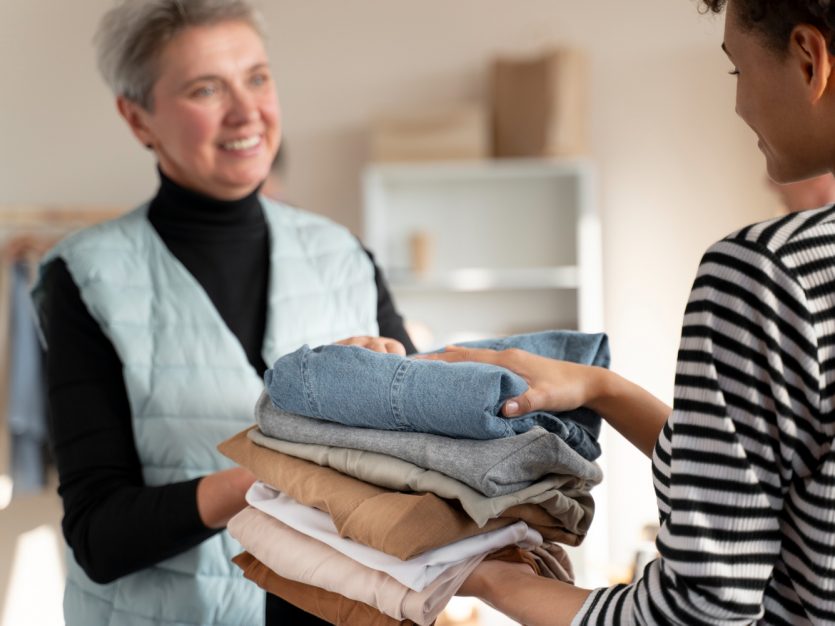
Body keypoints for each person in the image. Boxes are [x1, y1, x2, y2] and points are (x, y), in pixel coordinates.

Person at [422, 1, 835, 624]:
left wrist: (487, 578)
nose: (740, 104)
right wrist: (604, 390)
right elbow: (766, 482)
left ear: (809, 59)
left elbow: (694, 615)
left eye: (737, 71)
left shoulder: (768, 273)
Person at [31, 1, 413, 625]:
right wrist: (283, 471)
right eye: (206, 89)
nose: (247, 112)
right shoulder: (84, 277)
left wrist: (396, 401)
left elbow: (418, 474)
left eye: (257, 78)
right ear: (137, 118)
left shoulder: (344, 257)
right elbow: (99, 536)